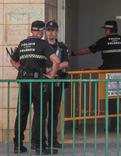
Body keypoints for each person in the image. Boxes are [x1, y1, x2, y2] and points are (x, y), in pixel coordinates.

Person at [71, 20, 121, 132]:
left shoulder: (103, 41)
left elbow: (88, 50)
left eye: (106, 29)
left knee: (111, 101)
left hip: (109, 75)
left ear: (109, 30)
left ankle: (113, 127)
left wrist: (72, 53)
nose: (105, 31)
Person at [10, 20, 60, 155]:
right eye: (43, 31)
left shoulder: (23, 43)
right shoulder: (42, 44)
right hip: (37, 82)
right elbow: (56, 61)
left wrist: (21, 70)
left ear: (32, 30)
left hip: (24, 82)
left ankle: (18, 145)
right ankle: (40, 147)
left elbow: (13, 60)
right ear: (41, 31)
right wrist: (52, 76)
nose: (43, 33)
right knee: (40, 112)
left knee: (22, 113)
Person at [45, 20, 69, 148]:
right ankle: (40, 140)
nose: (50, 32)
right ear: (45, 31)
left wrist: (53, 69)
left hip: (57, 82)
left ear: (57, 31)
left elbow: (66, 63)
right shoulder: (41, 45)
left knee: (54, 112)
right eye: (48, 30)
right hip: (43, 82)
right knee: (41, 113)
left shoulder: (61, 46)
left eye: (53, 30)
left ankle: (53, 140)